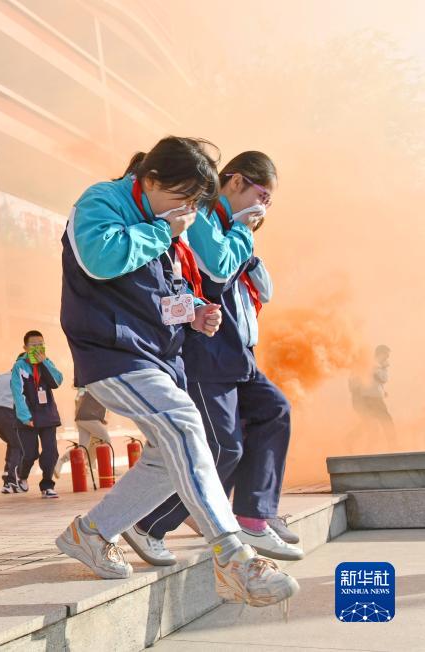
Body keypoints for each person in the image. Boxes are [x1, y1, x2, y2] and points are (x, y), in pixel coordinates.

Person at [55, 136, 297, 607]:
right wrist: (164, 231)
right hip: (111, 352)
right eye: (183, 197)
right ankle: (233, 555)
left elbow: (163, 291)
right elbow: (101, 260)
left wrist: (195, 312)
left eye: (194, 201)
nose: (188, 211)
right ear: (149, 179)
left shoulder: (166, 219)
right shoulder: (101, 201)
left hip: (157, 355)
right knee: (187, 425)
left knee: (172, 453)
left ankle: (91, 533)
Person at [126, 151, 302, 566]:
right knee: (222, 448)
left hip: (233, 346)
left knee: (274, 409)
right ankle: (149, 523)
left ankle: (252, 516)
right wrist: (244, 233)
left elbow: (256, 286)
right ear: (236, 182)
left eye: (269, 202)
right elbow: (219, 269)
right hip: (202, 349)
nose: (263, 208)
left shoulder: (227, 224)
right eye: (261, 195)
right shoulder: (202, 213)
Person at [11, 330, 64, 498]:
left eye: (41, 344)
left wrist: (44, 364)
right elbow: (17, 393)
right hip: (27, 417)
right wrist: (25, 417)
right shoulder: (19, 366)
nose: (38, 348)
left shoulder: (47, 363)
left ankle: (47, 485)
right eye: (34, 345)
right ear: (25, 348)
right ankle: (22, 474)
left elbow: (56, 382)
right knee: (30, 453)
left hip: (47, 415)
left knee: (51, 452)